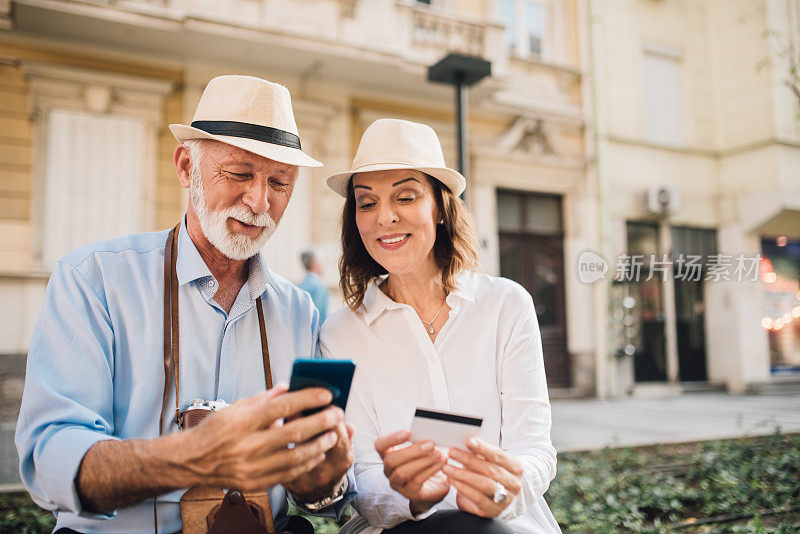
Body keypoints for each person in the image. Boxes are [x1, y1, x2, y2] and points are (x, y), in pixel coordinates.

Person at [15, 75, 356, 534]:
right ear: (184, 167)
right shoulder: (94, 280)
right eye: (238, 174)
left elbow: (319, 500)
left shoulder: (300, 311)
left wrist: (322, 482)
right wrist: (192, 457)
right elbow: (50, 460)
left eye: (280, 182)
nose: (259, 201)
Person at [320, 119, 561, 534]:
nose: (385, 218)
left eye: (406, 197)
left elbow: (536, 449)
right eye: (367, 203)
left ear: (441, 208)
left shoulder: (505, 306)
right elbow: (362, 478)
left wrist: (501, 492)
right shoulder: (340, 333)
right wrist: (409, 498)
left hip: (506, 524)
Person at [298, 249, 330, 323]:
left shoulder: (300, 285)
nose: (323, 265)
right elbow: (320, 315)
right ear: (314, 264)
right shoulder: (319, 286)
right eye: (321, 262)